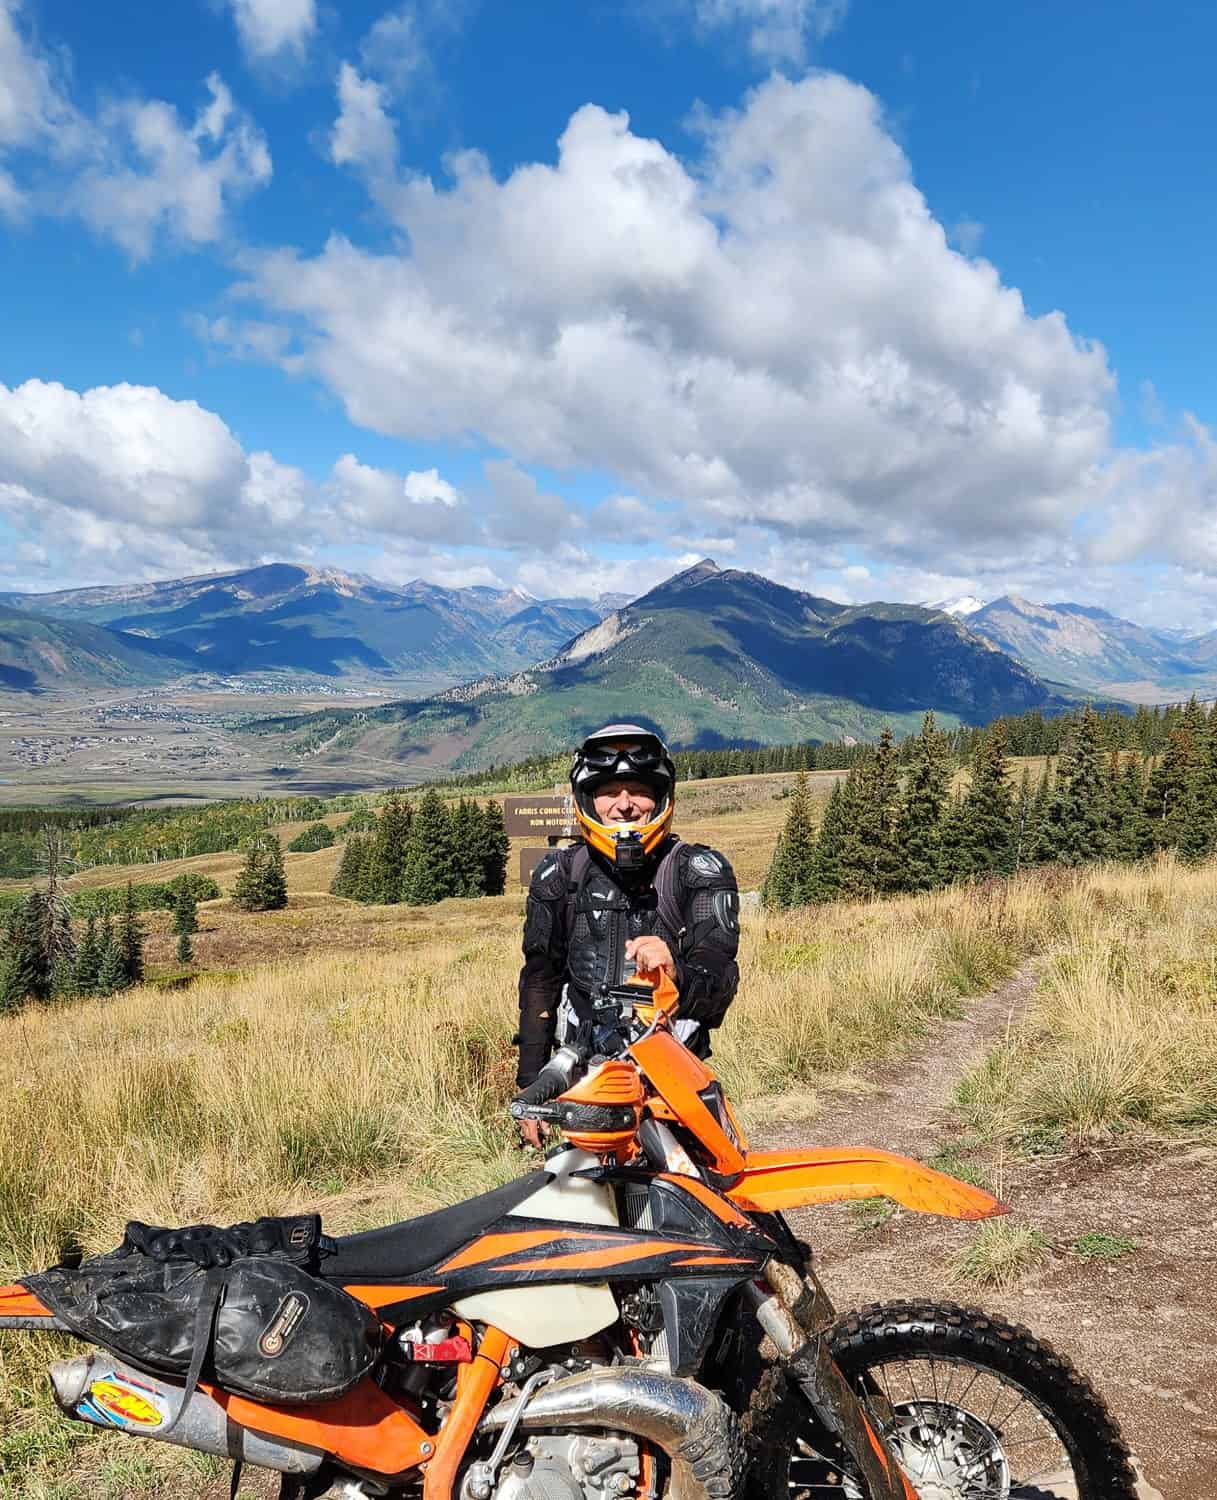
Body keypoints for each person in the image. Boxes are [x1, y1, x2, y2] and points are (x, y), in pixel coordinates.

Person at [515, 724, 741, 1146]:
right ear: (587, 799)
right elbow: (539, 981)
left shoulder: (699, 871)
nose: (624, 805)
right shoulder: (558, 875)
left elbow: (720, 983)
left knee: (713, 1199)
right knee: (578, 1205)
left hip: (676, 1091)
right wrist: (531, 1087)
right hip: (583, 1087)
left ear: (660, 797)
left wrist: (678, 973)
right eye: (609, 791)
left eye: (638, 789)